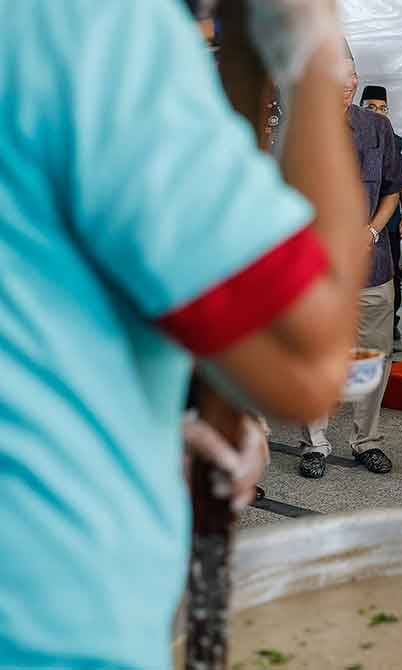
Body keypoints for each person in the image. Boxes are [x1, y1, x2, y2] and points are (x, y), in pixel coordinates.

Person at [0, 0, 371, 666]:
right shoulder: (92, 27)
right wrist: (312, 52)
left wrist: (144, 430)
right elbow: (306, 361)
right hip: (49, 625)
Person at [299, 48, 402, 479]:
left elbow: (391, 189)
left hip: (371, 265)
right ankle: (314, 443)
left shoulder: (377, 127)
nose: (348, 83)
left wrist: (369, 232)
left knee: (371, 356)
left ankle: (366, 439)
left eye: (352, 75)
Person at [362, 85, 402, 345]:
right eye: (371, 107)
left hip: (387, 224)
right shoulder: (356, 132)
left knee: (389, 271)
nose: (378, 112)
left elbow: (400, 182)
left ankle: (391, 322)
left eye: (382, 108)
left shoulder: (395, 140)